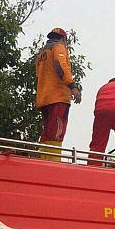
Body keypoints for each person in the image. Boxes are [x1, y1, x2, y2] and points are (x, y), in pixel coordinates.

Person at [35, 28, 81, 161]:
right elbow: (61, 66)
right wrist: (73, 86)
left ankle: (44, 161)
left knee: (47, 133)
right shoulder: (59, 47)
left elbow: (38, 76)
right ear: (63, 39)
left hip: (44, 99)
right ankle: (53, 164)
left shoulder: (41, 55)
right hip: (58, 97)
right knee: (57, 133)